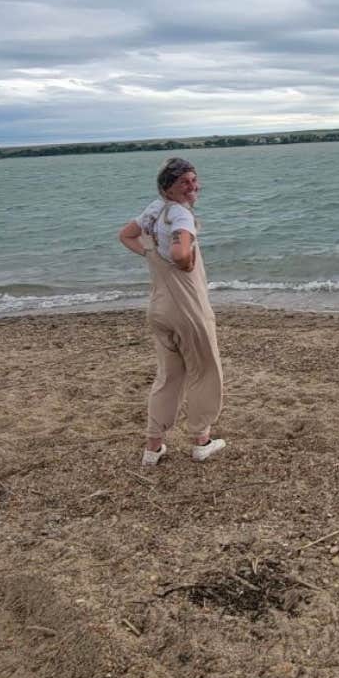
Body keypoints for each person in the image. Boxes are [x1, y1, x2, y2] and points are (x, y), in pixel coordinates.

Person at [117, 157, 225, 467]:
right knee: (205, 371)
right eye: (185, 182)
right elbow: (180, 252)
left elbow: (125, 235)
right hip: (187, 308)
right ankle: (202, 441)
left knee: (169, 377)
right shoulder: (181, 216)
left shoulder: (153, 210)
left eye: (194, 180)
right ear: (169, 187)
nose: (193, 187)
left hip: (159, 307)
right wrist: (184, 258)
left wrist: (150, 252)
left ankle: (153, 447)